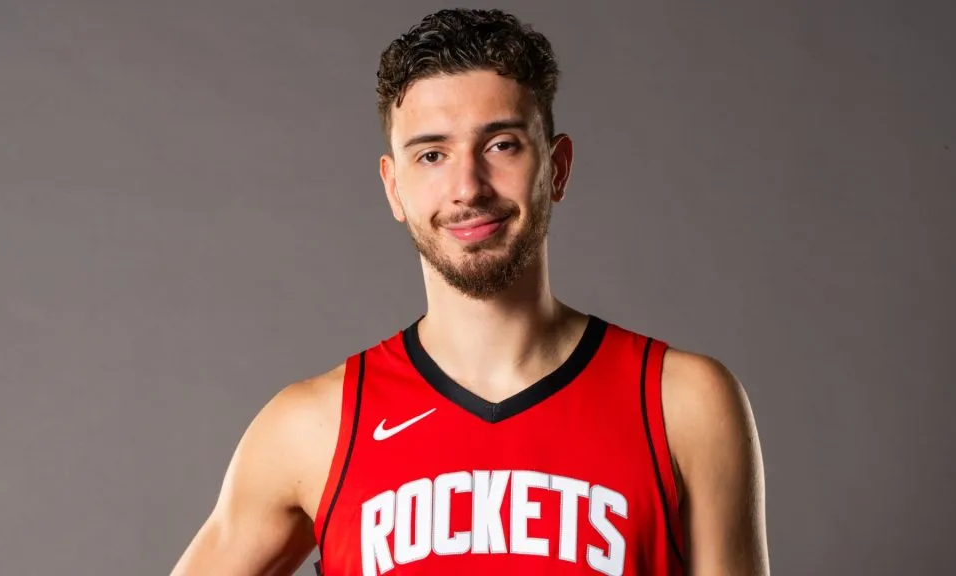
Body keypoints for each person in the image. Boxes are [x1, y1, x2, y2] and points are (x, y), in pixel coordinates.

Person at [171, 8, 769, 576]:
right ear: (394, 188)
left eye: (501, 145)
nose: (467, 187)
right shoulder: (314, 427)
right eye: (432, 154)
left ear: (556, 168)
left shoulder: (683, 404)